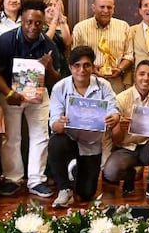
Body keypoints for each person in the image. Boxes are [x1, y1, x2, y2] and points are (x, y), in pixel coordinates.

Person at [0, 0, 59, 198]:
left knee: (40, 136)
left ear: (43, 23)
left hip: (39, 94)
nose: (33, 27)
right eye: (29, 22)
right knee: (11, 137)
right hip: (10, 93)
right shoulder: (5, 41)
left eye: (38, 23)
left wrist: (50, 68)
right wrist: (9, 94)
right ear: (22, 20)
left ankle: (36, 180)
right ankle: (13, 179)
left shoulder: (49, 44)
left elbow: (56, 78)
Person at [47, 46, 120, 208]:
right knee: (55, 142)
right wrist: (60, 124)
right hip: (68, 139)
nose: (82, 70)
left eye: (87, 65)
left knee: (86, 194)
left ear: (93, 67)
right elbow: (54, 123)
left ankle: (75, 170)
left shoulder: (103, 86)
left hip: (91, 144)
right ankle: (64, 188)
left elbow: (114, 110)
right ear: (70, 67)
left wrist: (114, 117)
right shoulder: (60, 88)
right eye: (77, 65)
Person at [103, 60, 149, 201]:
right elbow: (117, 140)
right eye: (142, 74)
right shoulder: (121, 99)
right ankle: (129, 175)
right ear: (135, 76)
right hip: (126, 148)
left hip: (148, 146)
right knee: (110, 173)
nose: (145, 78)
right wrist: (119, 126)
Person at [72, 0, 132, 94]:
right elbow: (75, 56)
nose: (105, 11)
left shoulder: (124, 27)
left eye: (109, 7)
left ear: (113, 9)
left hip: (116, 82)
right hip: (88, 80)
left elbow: (129, 55)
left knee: (115, 109)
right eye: (102, 7)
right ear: (93, 8)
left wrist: (120, 69)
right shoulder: (80, 28)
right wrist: (93, 69)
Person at [41, 0, 72, 88]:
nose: (53, 8)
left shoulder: (63, 23)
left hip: (62, 64)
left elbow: (68, 43)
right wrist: (54, 21)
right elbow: (46, 41)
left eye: (55, 5)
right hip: (46, 63)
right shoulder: (39, 24)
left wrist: (61, 20)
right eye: (50, 5)